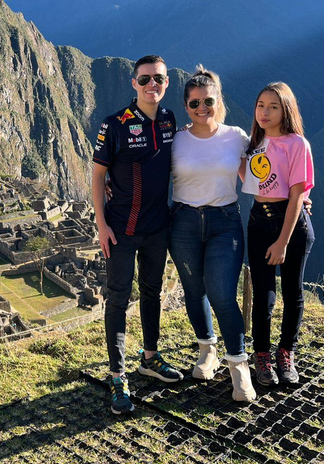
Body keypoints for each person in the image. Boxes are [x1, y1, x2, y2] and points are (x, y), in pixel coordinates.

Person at [92, 55, 180, 415]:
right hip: (121, 230)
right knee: (117, 299)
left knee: (152, 291)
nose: (151, 86)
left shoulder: (170, 120)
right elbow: (98, 176)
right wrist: (101, 225)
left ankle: (150, 357)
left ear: (166, 82)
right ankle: (117, 376)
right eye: (144, 80)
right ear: (134, 83)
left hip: (157, 227)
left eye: (157, 79)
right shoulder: (114, 125)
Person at [167, 65, 257, 402]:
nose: (202, 109)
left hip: (224, 222)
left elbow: (263, 172)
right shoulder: (176, 140)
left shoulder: (236, 137)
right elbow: (146, 171)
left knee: (221, 294)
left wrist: (300, 195)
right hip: (184, 222)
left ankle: (238, 366)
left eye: (208, 101)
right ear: (186, 106)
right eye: (194, 104)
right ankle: (207, 349)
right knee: (194, 290)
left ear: (218, 101)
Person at [242, 82, 314, 387]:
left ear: (286, 109)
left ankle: (286, 352)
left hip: (291, 223)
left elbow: (298, 193)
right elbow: (247, 177)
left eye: (273, 106)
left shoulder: (298, 144)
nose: (265, 112)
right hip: (259, 221)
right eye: (260, 105)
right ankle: (262, 355)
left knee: (293, 292)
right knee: (263, 295)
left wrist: (282, 241)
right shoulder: (251, 144)